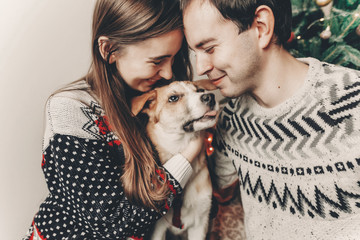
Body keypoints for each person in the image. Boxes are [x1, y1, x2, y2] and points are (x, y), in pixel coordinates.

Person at [23, 0, 204, 239]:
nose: (169, 73)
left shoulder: (159, 96)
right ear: (109, 50)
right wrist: (189, 153)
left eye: (173, 58)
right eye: (157, 61)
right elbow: (114, 222)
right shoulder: (70, 110)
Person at [181, 0, 360, 239]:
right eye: (196, 53)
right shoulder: (229, 119)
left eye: (210, 48)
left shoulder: (354, 102)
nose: (201, 67)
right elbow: (219, 191)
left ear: (261, 26)